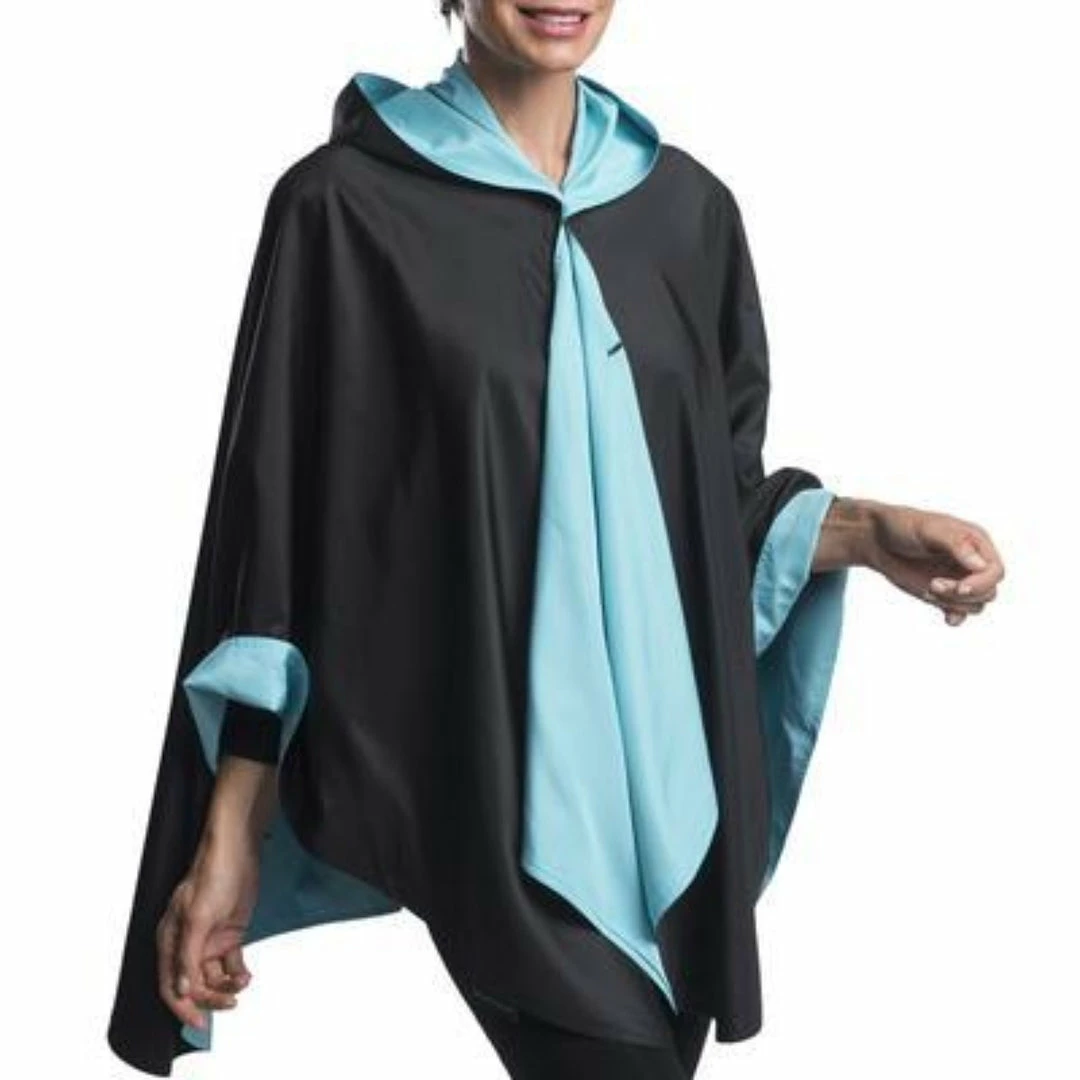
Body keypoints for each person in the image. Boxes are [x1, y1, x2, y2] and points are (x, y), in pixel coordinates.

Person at [106, 2, 1005, 1077]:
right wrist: (230, 834)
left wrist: (860, 531)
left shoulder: (686, 212)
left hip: (670, 805)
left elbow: (700, 518)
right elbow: (278, 537)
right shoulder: (343, 210)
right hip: (491, 796)